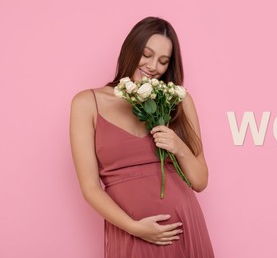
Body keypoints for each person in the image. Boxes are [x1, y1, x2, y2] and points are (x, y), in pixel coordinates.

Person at [69, 17, 214, 257]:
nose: (153, 66)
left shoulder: (178, 100)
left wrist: (179, 147)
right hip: (130, 231)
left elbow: (200, 181)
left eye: (163, 61)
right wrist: (134, 227)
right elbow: (90, 188)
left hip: (183, 227)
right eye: (146, 54)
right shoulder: (87, 103)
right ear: (130, 49)